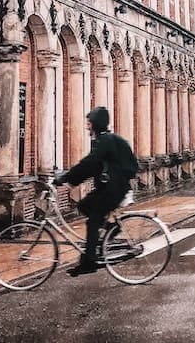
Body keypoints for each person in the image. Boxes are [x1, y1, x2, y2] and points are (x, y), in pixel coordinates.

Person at [53, 107, 139, 276]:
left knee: (93, 222)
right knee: (84, 205)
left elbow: (89, 163)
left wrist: (65, 178)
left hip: (114, 189)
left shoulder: (105, 141)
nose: (87, 126)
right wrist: (71, 180)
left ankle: (89, 262)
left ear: (95, 124)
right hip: (111, 187)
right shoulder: (104, 140)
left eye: (89, 123)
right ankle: (112, 228)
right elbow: (93, 167)